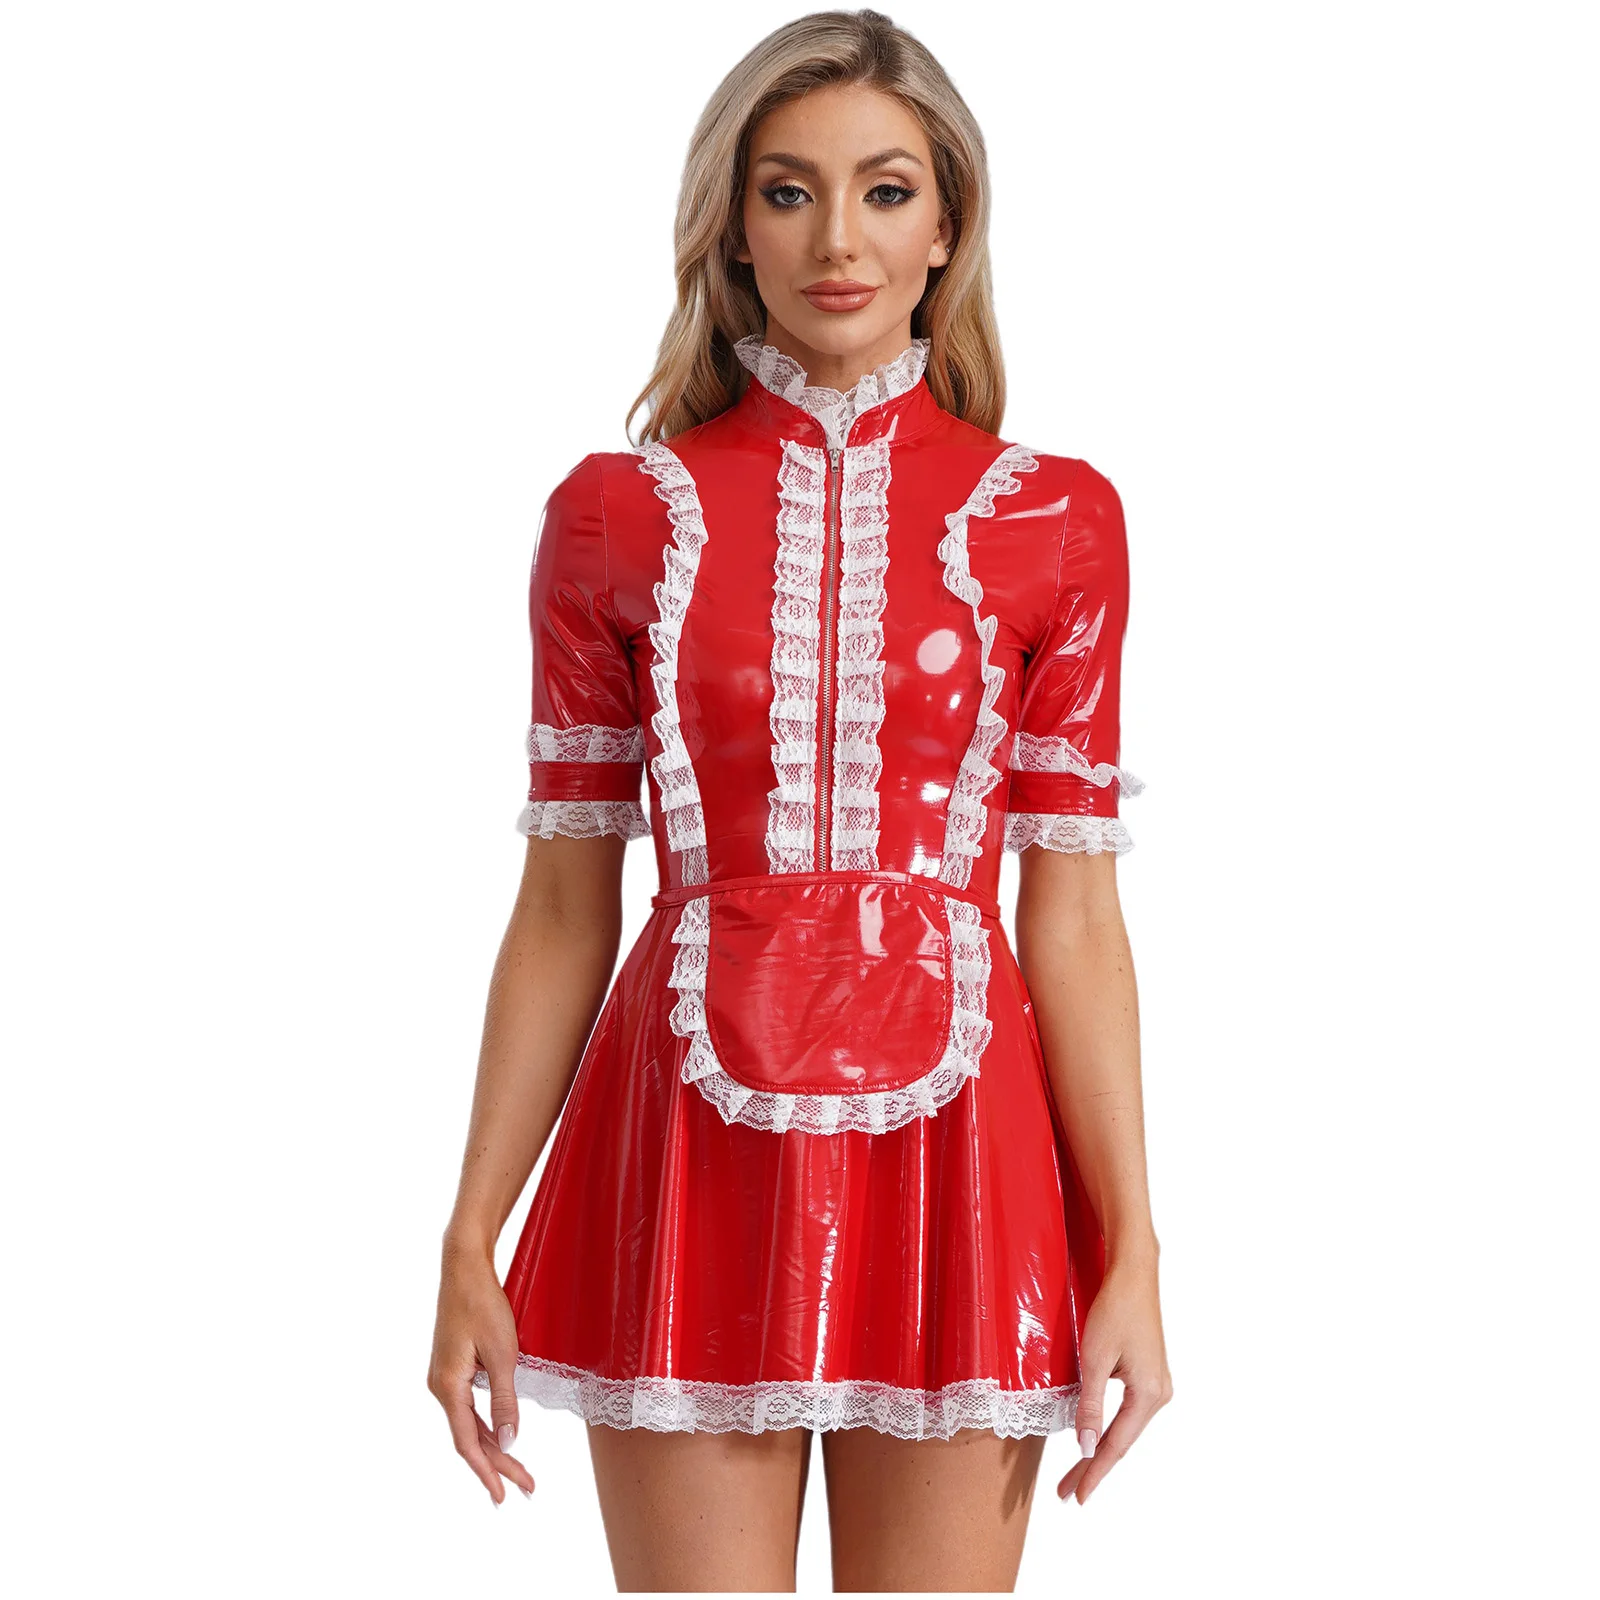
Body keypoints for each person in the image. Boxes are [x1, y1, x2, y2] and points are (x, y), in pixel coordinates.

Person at [428, 8, 1171, 1591]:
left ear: (947, 225)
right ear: (732, 228)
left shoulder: (1059, 518)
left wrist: (1134, 1249)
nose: (839, 238)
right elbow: (562, 906)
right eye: (789, 191)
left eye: (887, 191)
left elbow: (1076, 919)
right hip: (682, 1142)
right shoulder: (615, 516)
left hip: (966, 1150)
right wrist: (470, 1231)